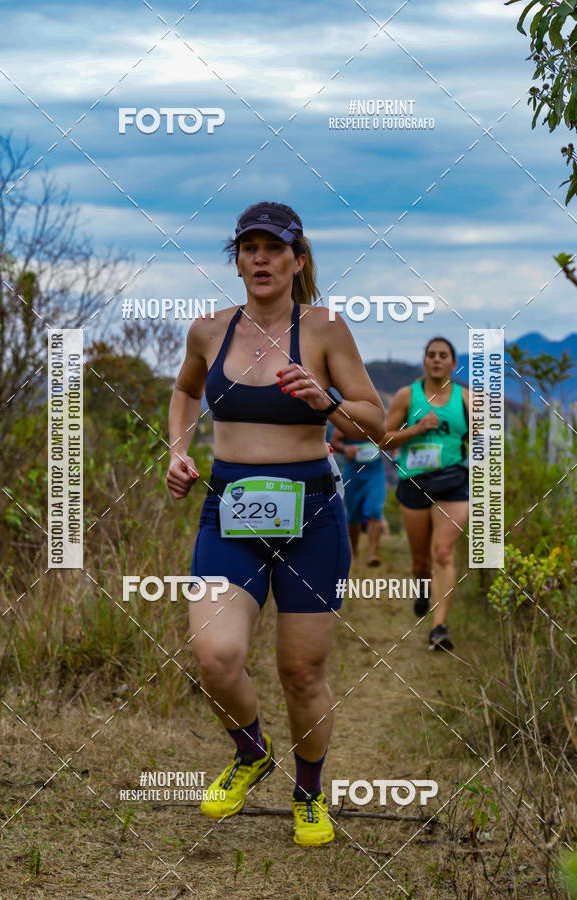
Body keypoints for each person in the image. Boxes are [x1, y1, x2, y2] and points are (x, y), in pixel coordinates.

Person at [166, 202, 385, 846]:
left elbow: (375, 421)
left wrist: (328, 401)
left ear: (298, 258)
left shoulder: (325, 330)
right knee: (216, 656)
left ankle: (309, 793)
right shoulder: (208, 331)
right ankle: (251, 752)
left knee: (301, 672)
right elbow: (185, 392)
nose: (260, 258)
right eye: (249, 248)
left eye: (274, 247)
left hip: (312, 515)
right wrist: (178, 451)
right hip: (229, 509)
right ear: (236, 261)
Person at [380, 337, 469, 651]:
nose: (436, 360)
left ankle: (439, 628)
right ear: (424, 362)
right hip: (414, 484)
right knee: (420, 562)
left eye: (443, 355)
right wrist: (417, 428)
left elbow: (483, 445)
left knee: (442, 553)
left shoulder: (466, 399)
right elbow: (384, 440)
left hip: (453, 483)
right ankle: (422, 588)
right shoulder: (407, 396)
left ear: (453, 363)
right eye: (431, 355)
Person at [329, 428, 385, 566]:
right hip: (353, 471)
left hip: (375, 471)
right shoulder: (349, 422)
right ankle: (354, 552)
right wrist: (346, 449)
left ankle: (372, 554)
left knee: (375, 509)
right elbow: (334, 440)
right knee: (354, 515)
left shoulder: (378, 421)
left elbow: (390, 436)